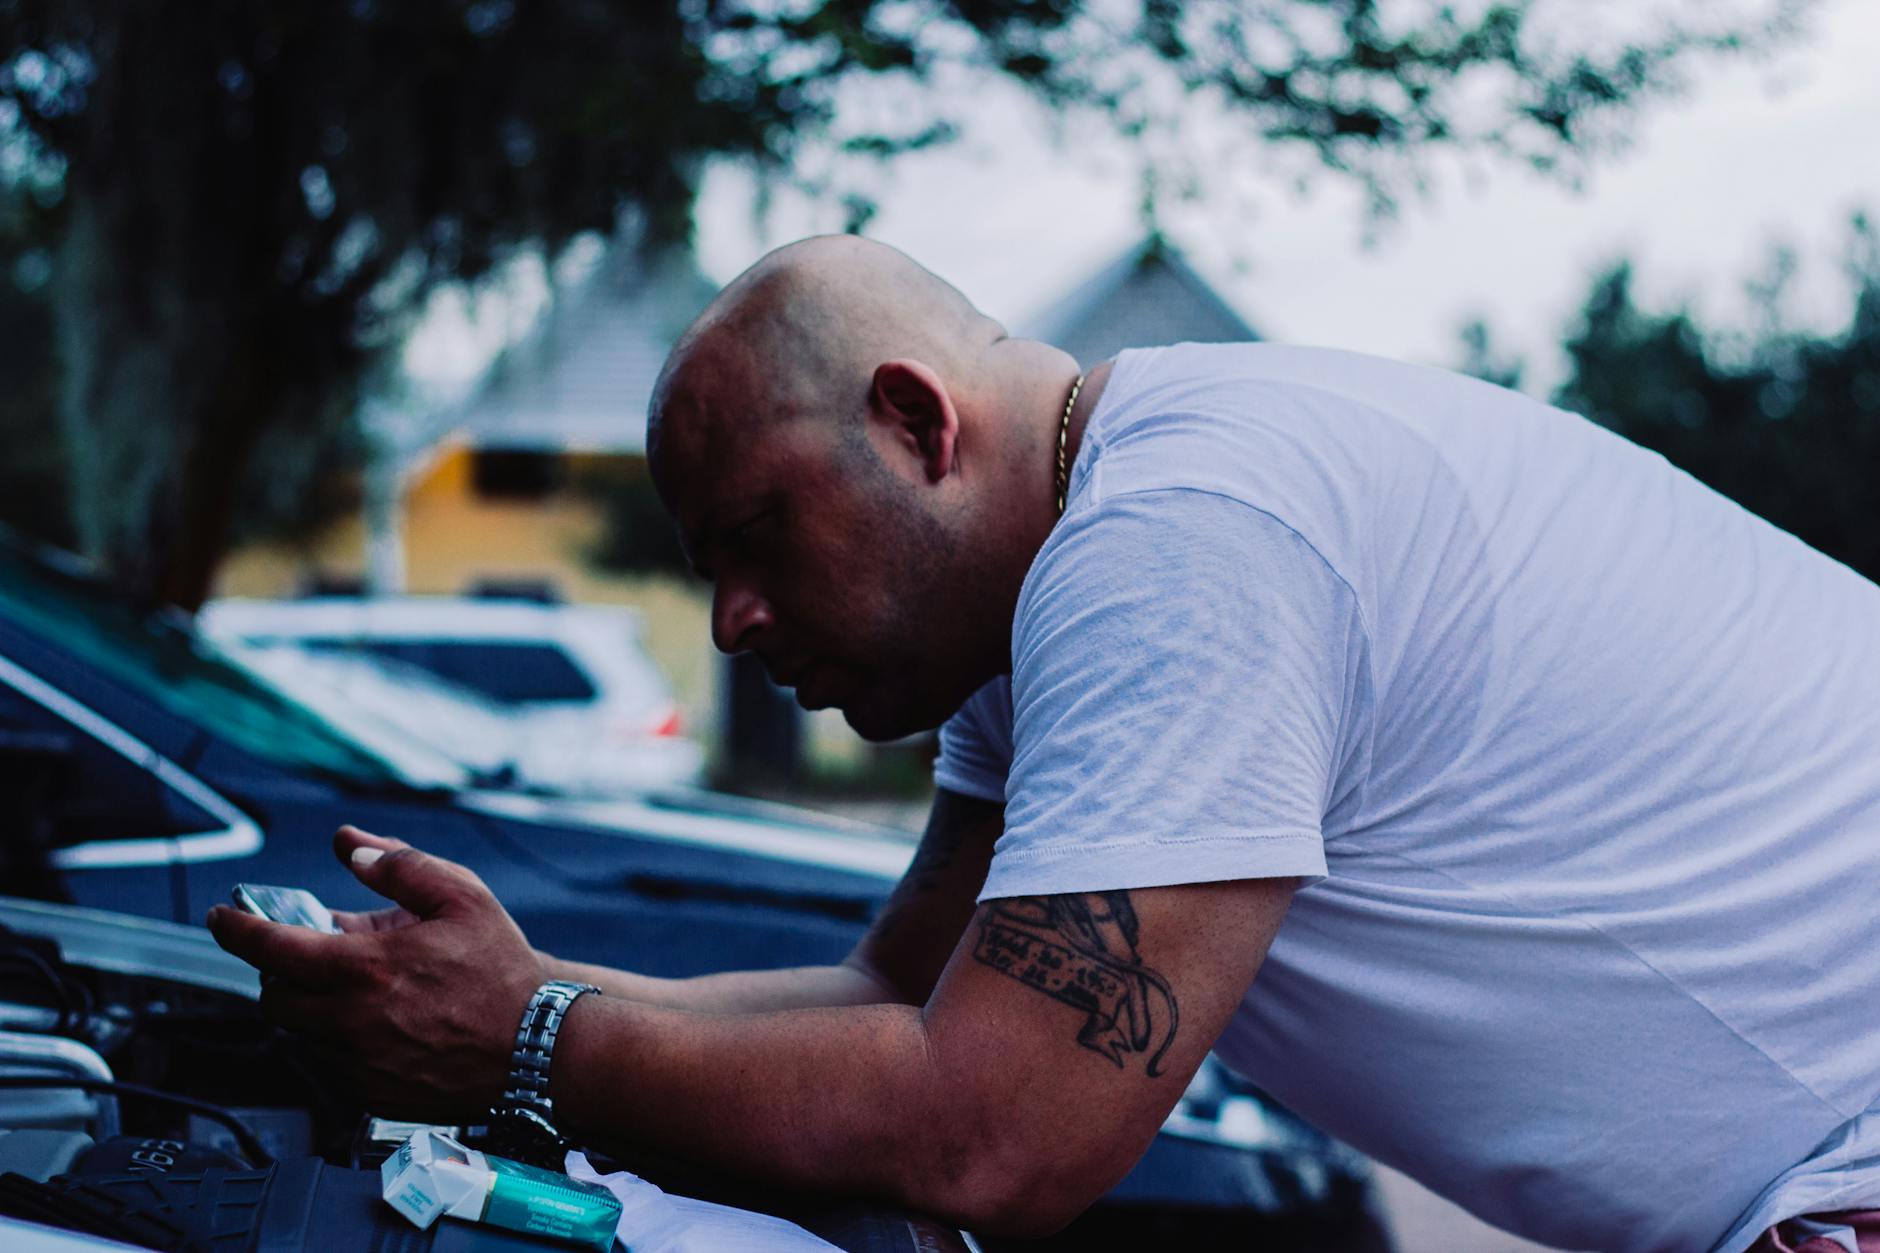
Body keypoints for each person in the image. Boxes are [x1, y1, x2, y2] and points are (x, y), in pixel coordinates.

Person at [210, 235, 1880, 1252]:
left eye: (756, 537)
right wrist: (508, 988)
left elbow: (992, 1137)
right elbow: (896, 998)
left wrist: (525, 1041)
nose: (731, 620)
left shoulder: (1185, 544)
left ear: (914, 422)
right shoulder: (1074, 578)